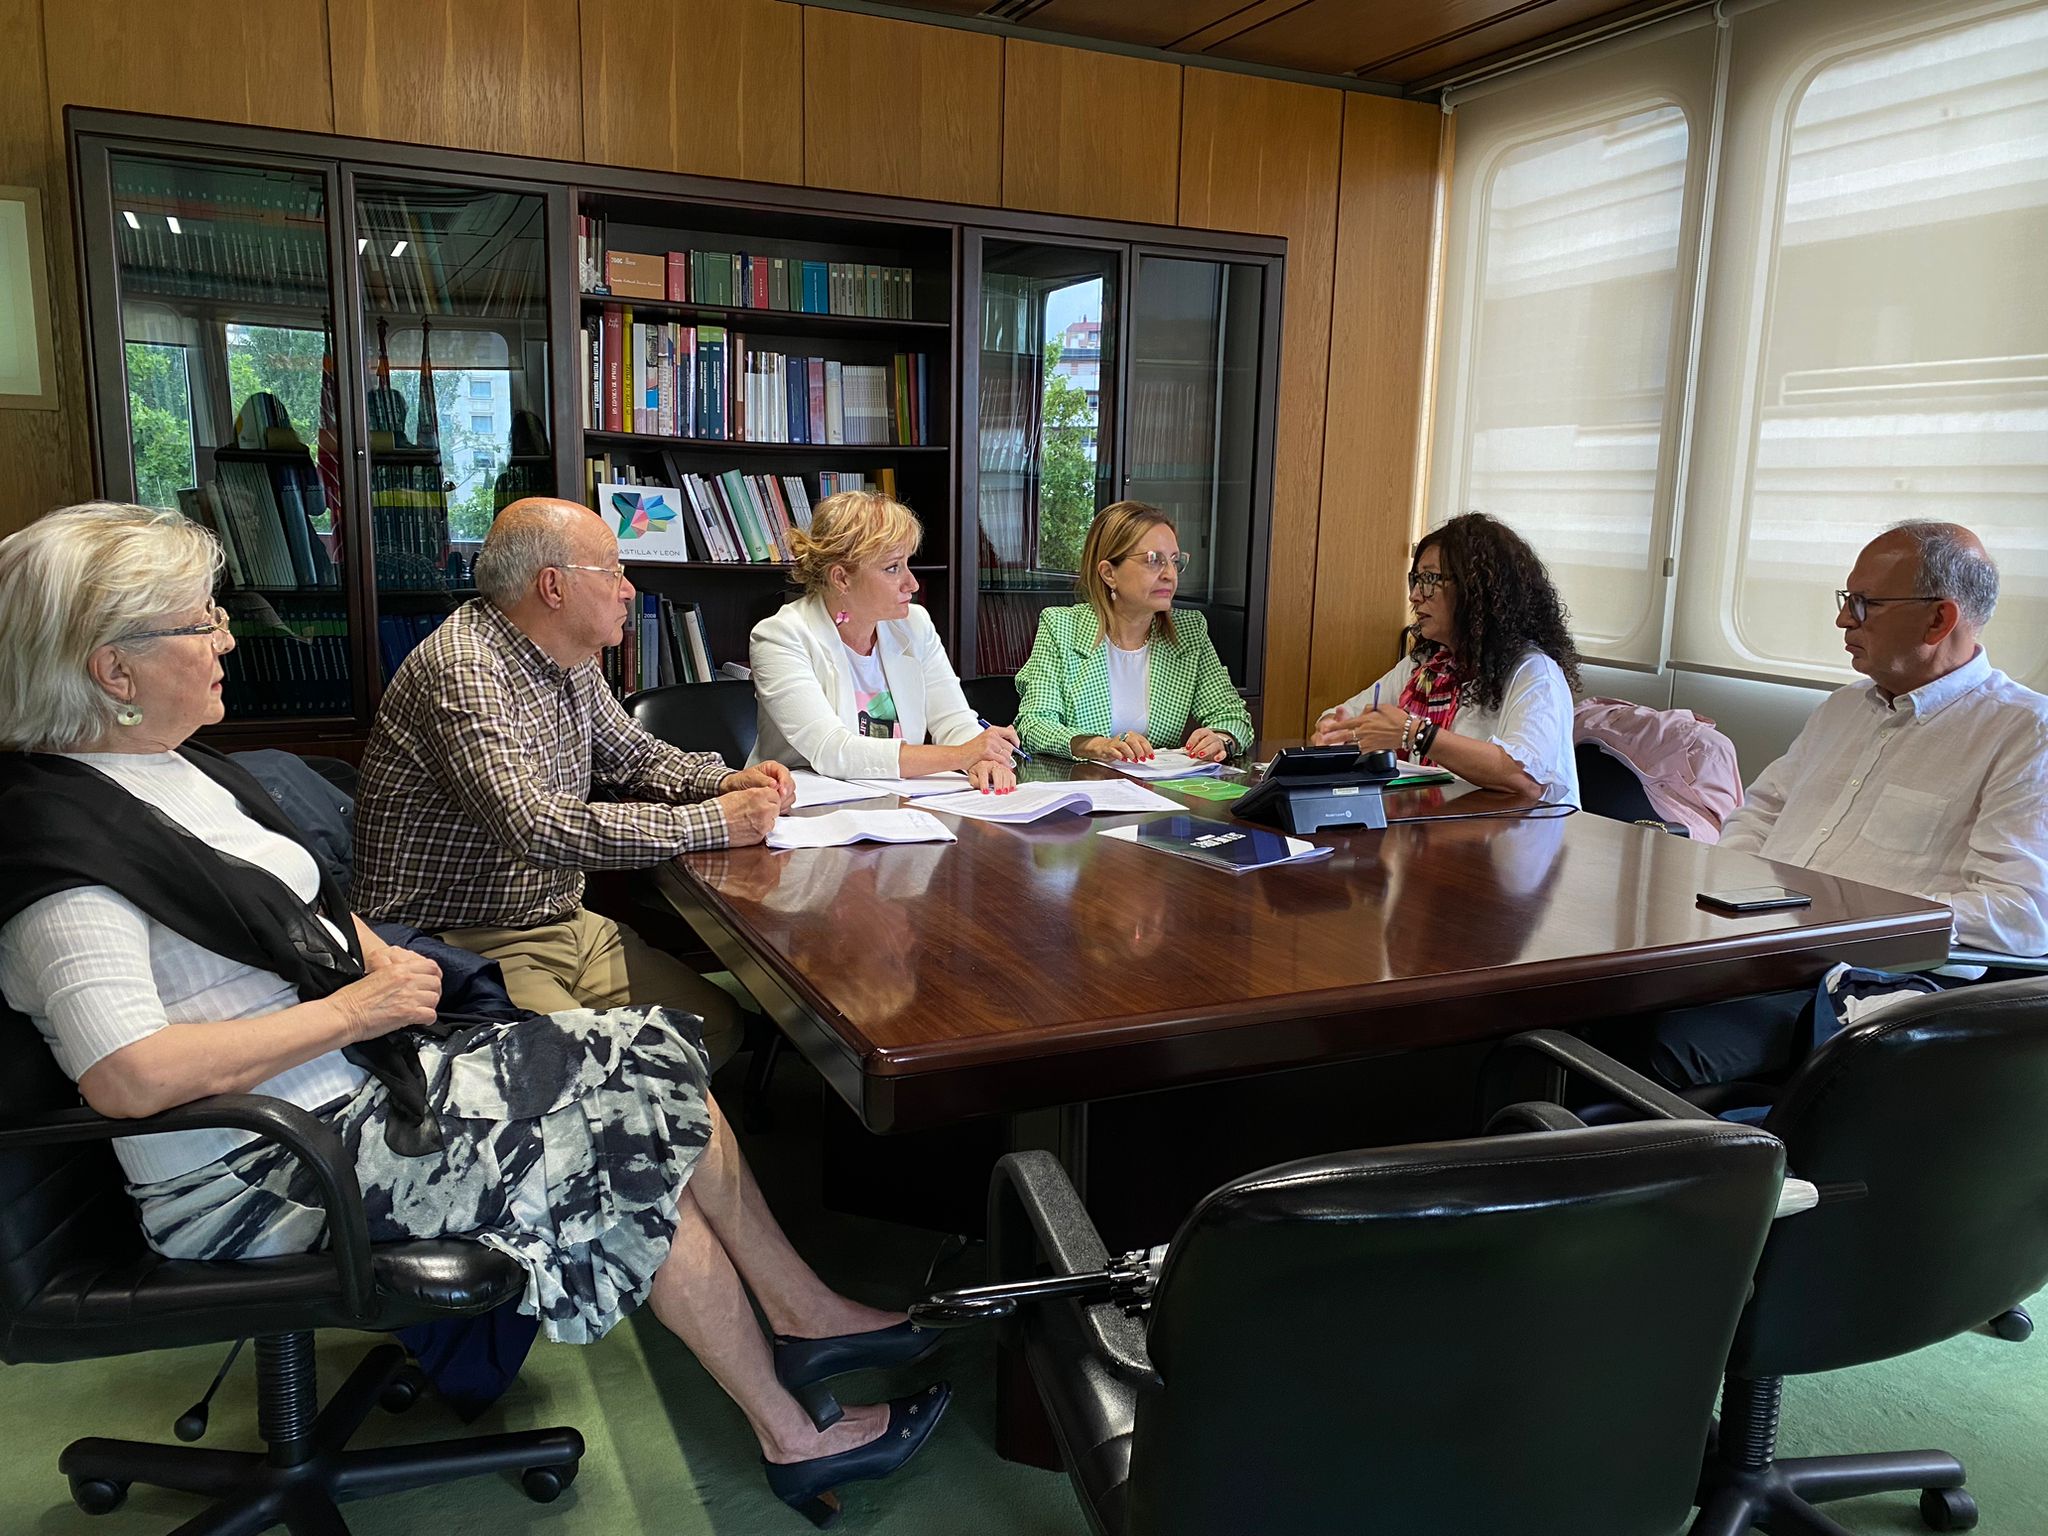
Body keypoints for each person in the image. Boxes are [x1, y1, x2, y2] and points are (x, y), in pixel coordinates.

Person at [0, 504, 947, 1523]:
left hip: (353, 1093)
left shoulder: (169, 773)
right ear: (114, 669)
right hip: (266, 1166)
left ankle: (802, 1319)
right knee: (615, 1137)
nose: (230, 636)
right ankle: (794, 1431)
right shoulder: (61, 855)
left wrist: (365, 960)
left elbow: (290, 913)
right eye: (200, 622)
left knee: (650, 1058)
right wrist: (357, 1008)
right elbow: (128, 1075)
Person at [353, 499, 795, 1070]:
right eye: (613, 570)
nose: (628, 589)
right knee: (605, 1079)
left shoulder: (570, 657)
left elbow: (635, 758)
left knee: (715, 1026)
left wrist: (728, 779)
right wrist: (715, 822)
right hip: (462, 942)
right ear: (554, 587)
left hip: (564, 922)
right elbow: (532, 825)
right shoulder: (463, 667)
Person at [1651, 521, 2048, 1087]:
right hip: (1755, 949)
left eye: (1864, 604)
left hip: (1858, 988)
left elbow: (2022, 916)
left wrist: (1843, 918)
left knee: (1648, 1044)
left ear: (1940, 618)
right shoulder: (1842, 709)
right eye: (1846, 600)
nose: (1843, 620)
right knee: (1576, 1010)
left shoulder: (2024, 732)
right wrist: (1735, 891)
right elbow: (1758, 813)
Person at [750, 489, 1018, 792]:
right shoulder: (780, 637)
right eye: (893, 568)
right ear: (841, 578)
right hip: (806, 812)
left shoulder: (914, 624)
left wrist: (984, 759)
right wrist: (962, 754)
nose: (912, 583)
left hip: (902, 805)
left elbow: (954, 720)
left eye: (907, 563)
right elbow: (832, 751)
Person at [1312, 512, 1581, 806]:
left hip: (1517, 840)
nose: (1415, 596)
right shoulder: (1426, 666)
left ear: (1476, 591)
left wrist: (1415, 733)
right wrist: (1334, 733)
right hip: (1441, 832)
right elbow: (1343, 715)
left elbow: (1526, 780)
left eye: (1429, 580)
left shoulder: (1535, 673)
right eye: (1415, 580)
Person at [1013, 501, 1253, 763]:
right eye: (1154, 560)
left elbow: (1232, 716)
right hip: (1083, 791)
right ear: (1108, 573)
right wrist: (1095, 745)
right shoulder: (1061, 627)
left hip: (1160, 793)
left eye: (1175, 561)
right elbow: (1034, 724)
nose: (1170, 575)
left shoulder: (1190, 631)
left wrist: (1221, 738)